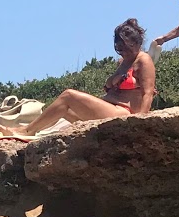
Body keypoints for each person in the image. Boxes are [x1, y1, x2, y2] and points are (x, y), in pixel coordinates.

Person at [19, 19, 158, 134]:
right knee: (63, 109)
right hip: (108, 108)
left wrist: (141, 122)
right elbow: (111, 85)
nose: (124, 53)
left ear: (137, 43)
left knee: (68, 96)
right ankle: (33, 132)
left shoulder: (143, 60)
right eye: (120, 49)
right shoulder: (123, 62)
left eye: (127, 49)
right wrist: (112, 81)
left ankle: (26, 131)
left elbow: (148, 92)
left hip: (123, 113)